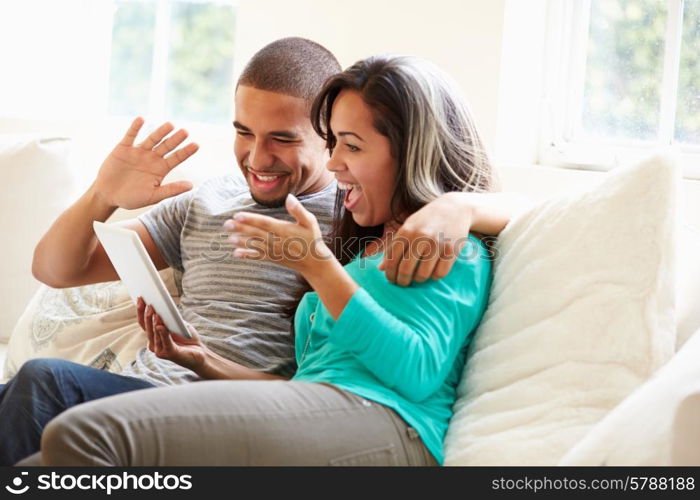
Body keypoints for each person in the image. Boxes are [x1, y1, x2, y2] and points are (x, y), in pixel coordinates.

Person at [34, 54, 496, 466]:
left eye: (350, 146)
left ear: (412, 150)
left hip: (388, 426)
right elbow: (303, 385)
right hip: (308, 408)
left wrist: (318, 266)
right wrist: (202, 359)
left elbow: (414, 373)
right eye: (336, 143)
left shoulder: (446, 242)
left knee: (71, 417)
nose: (336, 163)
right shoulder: (359, 250)